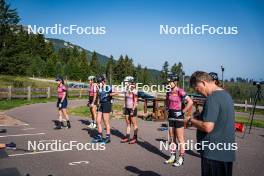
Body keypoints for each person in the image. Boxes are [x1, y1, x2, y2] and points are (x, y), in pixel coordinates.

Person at [186, 71, 235, 176]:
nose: (198, 92)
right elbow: (220, 119)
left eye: (197, 88)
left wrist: (191, 120)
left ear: (203, 83)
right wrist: (201, 117)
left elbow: (207, 127)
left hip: (213, 154)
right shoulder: (226, 95)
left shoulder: (212, 98)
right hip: (226, 152)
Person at [164, 74, 193, 167]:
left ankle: (181, 158)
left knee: (180, 139)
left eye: (170, 82)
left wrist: (182, 112)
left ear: (175, 82)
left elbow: (190, 102)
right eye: (168, 82)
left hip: (179, 116)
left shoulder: (180, 91)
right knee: (172, 138)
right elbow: (167, 101)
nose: (169, 83)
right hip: (171, 116)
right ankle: (172, 156)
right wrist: (167, 107)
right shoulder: (168, 91)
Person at [92, 75, 118, 144]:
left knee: (106, 122)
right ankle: (99, 136)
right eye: (97, 82)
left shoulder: (108, 87)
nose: (98, 83)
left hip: (107, 104)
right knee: (98, 121)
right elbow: (99, 96)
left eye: (99, 82)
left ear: (103, 81)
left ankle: (107, 137)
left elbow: (116, 92)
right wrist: (97, 103)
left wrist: (109, 94)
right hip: (101, 105)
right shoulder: (99, 88)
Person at [121, 76, 138, 144]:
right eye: (125, 82)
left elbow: (136, 101)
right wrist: (124, 106)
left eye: (126, 82)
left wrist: (133, 110)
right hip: (127, 108)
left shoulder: (134, 90)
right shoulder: (126, 89)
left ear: (130, 82)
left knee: (134, 124)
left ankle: (135, 137)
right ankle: (127, 136)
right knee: (128, 123)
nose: (125, 83)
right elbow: (125, 98)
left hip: (132, 108)